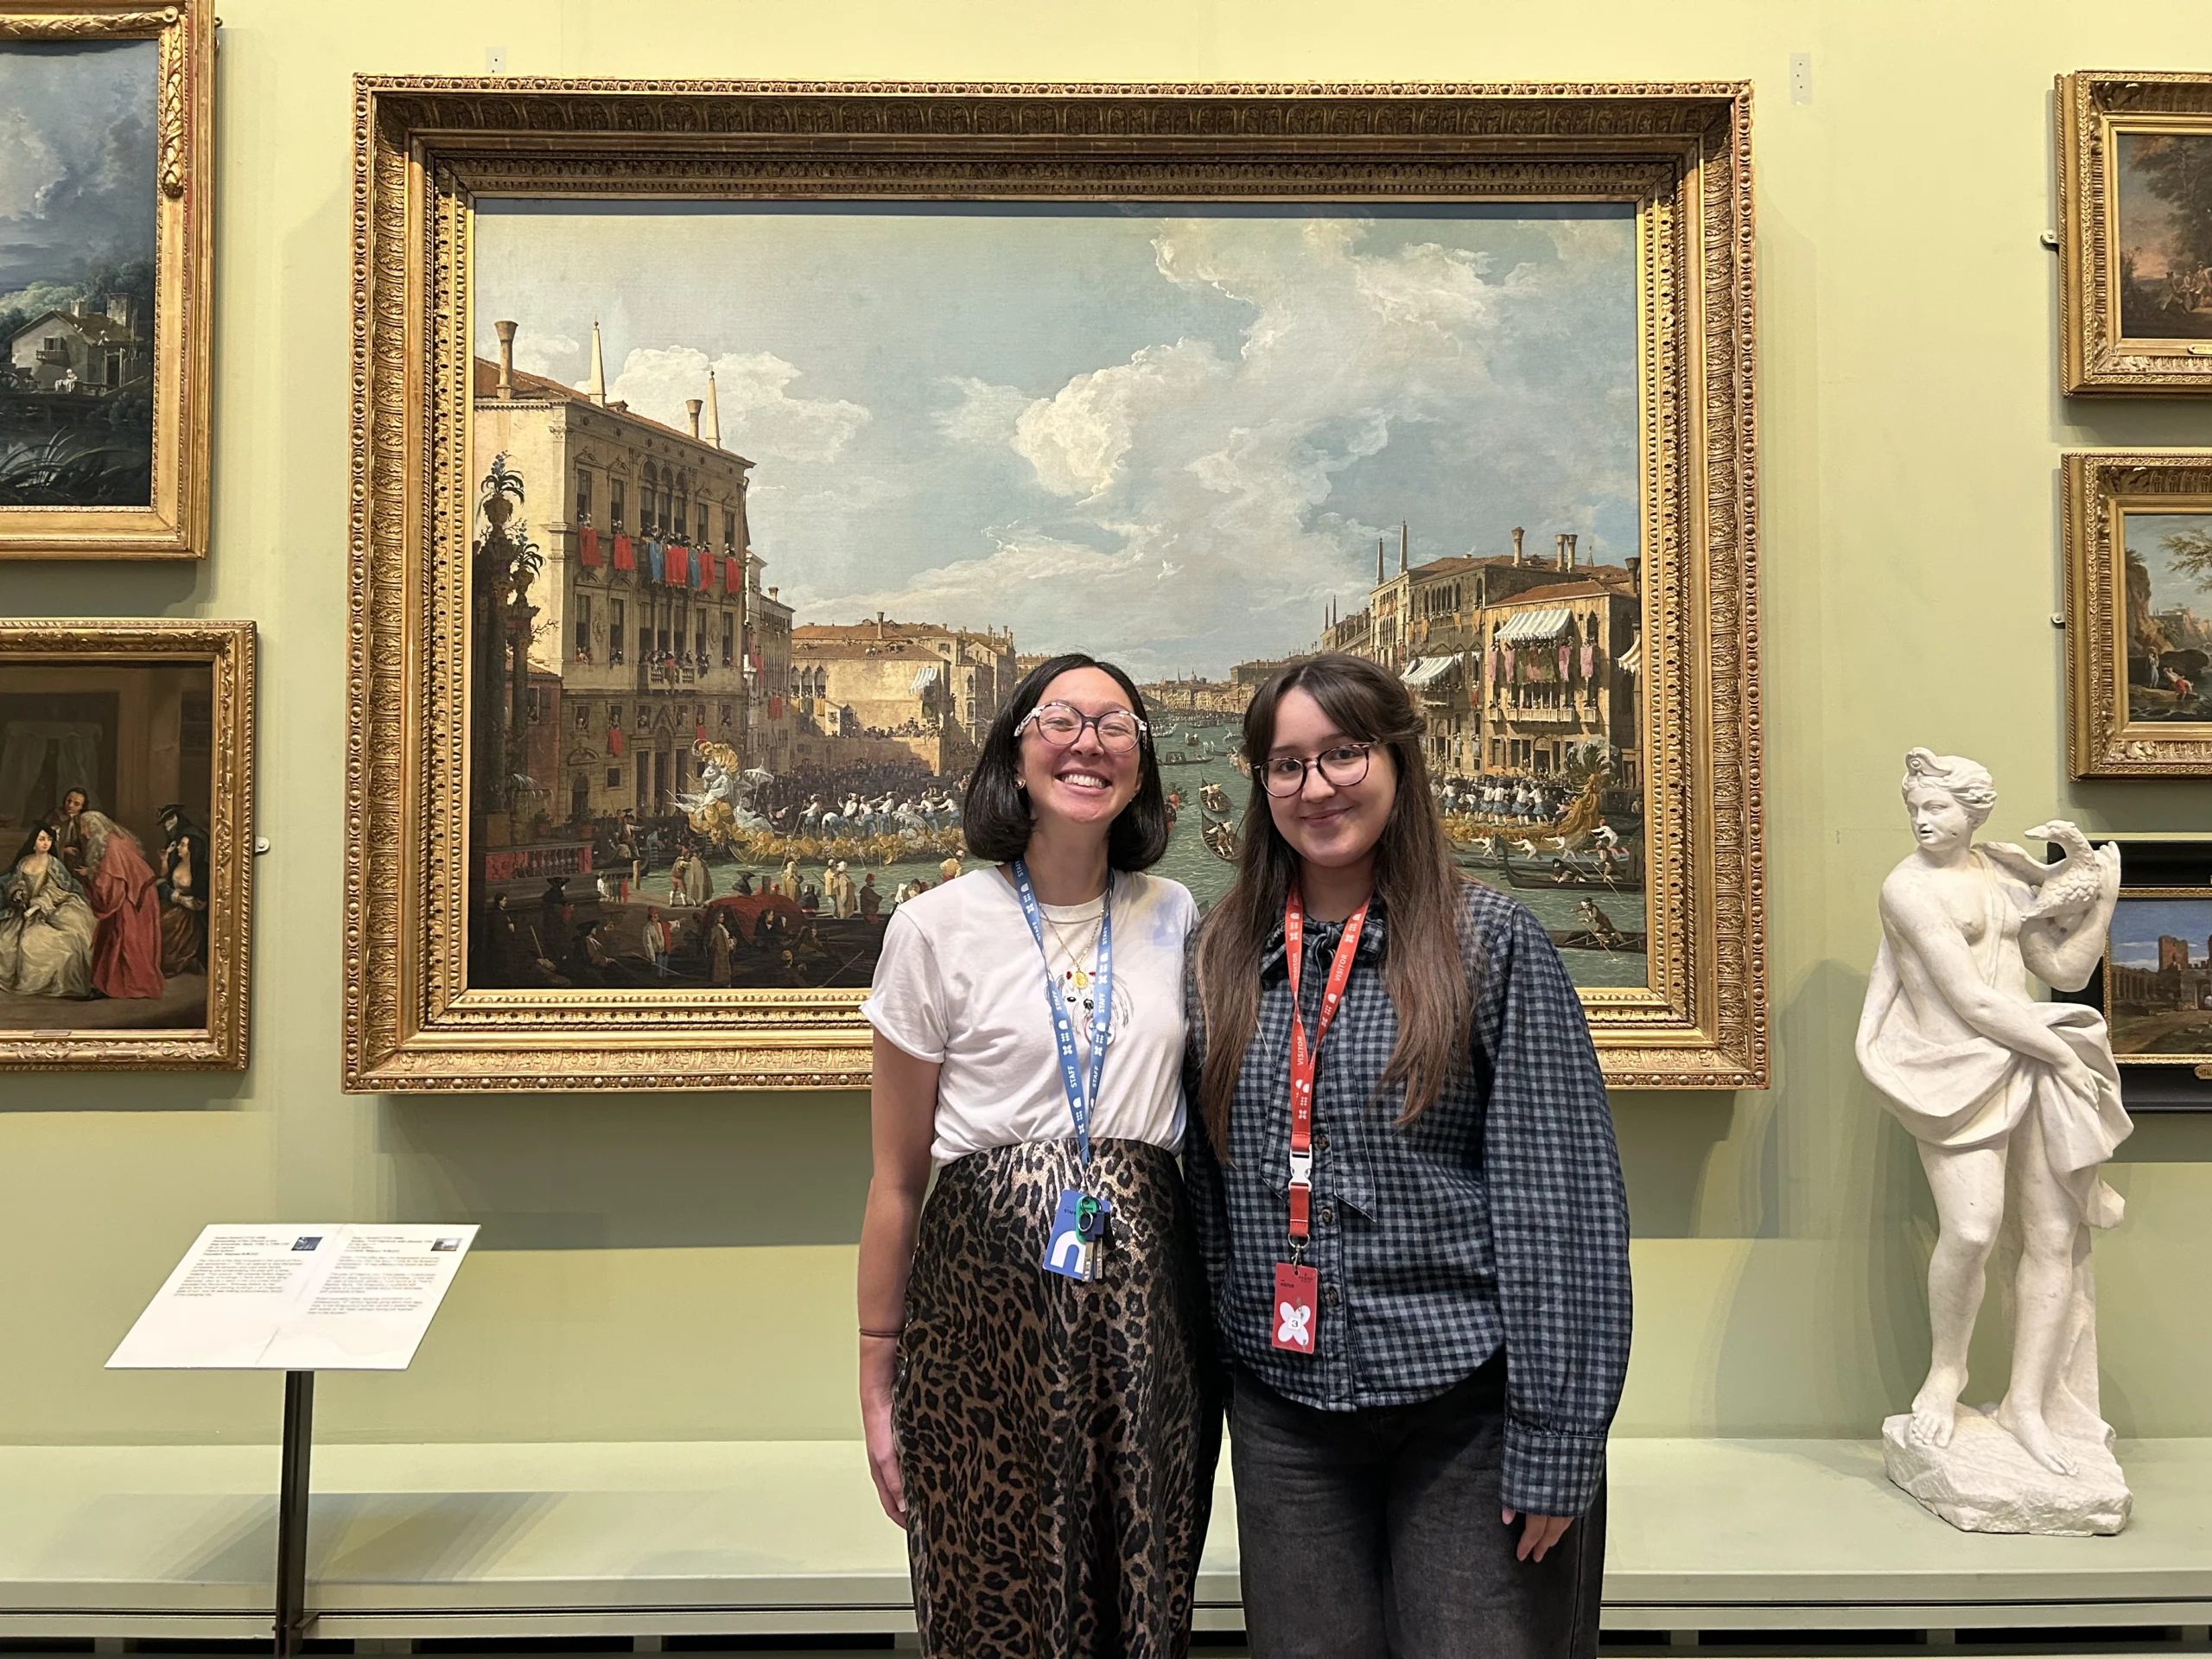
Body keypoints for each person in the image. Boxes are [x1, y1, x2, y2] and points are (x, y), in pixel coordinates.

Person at [1185, 653, 1630, 1659]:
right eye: (1287, 764)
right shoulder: (1216, 958)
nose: (1316, 786)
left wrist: (1560, 1442)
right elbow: (1209, 1203)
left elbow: (1562, 1210)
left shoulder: (1492, 943)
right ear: (1260, 785)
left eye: (1342, 754)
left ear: (1395, 761)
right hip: (1284, 1412)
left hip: (1464, 1409)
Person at [857, 653, 1217, 1659]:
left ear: (1140, 770)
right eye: (1060, 718)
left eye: (1116, 726)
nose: (1088, 742)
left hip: (1149, 1322)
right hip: (978, 1323)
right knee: (994, 1599)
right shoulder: (932, 929)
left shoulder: (1177, 917)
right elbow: (895, 1180)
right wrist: (874, 1379)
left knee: (1140, 1602)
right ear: (1015, 753)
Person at [1854, 750, 2130, 1475]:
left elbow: (2063, 974)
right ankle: (1947, 1375)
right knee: (1973, 1231)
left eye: (1937, 807)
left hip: (2031, 1056)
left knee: (2052, 1238)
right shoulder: (1907, 889)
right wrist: (2067, 1056)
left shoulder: (2006, 874)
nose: (1921, 818)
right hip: (1957, 1072)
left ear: (1974, 810)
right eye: (1914, 806)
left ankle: (2028, 1406)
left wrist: (2100, 903)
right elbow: (1971, 1001)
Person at [0, 824, 98, 997]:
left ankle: (55, 986)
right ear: (33, 842)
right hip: (22, 912)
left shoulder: (54, 864)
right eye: (42, 839)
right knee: (6, 942)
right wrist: (17, 893)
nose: (46, 843)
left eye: (49, 839)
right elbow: (15, 882)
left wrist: (38, 905)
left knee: (36, 942)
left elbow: (57, 890)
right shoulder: (24, 861)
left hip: (47, 911)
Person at [78, 811, 163, 1000]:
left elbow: (109, 886)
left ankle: (126, 987)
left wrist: (89, 879)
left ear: (94, 827)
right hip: (139, 893)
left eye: (84, 828)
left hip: (130, 899)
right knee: (129, 940)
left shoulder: (110, 848)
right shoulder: (117, 837)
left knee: (125, 940)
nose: (83, 833)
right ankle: (111, 984)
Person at [642, 906, 671, 977]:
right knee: (659, 974)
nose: (657, 919)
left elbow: (669, 927)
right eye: (655, 917)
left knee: (665, 973)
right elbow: (648, 945)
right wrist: (653, 959)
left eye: (657, 916)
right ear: (650, 918)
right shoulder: (647, 929)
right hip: (657, 954)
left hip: (665, 952)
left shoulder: (660, 924)